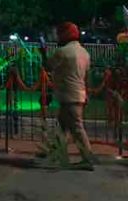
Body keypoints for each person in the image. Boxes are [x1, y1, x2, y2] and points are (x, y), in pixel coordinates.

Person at [48, 21, 95, 169]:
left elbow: (47, 66)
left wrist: (43, 51)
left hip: (68, 94)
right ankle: (54, 152)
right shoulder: (84, 53)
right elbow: (87, 76)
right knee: (62, 126)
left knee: (76, 127)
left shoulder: (63, 52)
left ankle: (87, 159)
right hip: (79, 93)